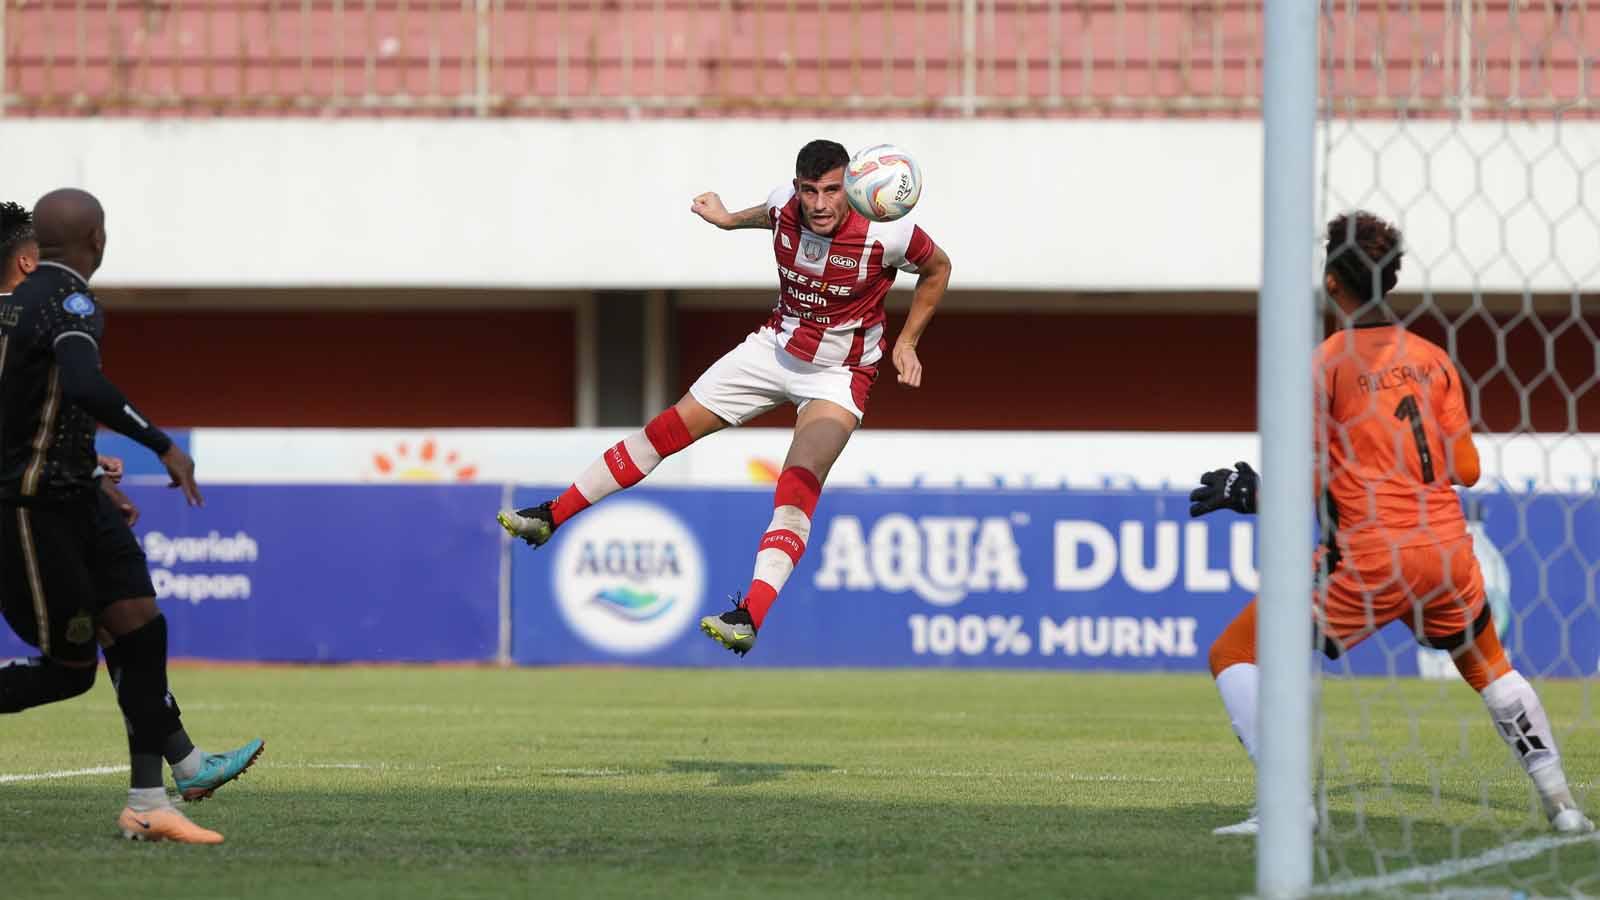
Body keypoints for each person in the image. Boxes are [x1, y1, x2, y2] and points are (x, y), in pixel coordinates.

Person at [1190, 210, 1591, 836]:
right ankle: (1564, 807)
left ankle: (1291, 809)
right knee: (1490, 665)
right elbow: (1467, 467)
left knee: (1236, 652)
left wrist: (1256, 494)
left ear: (1331, 283)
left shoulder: (1326, 363)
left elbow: (1311, 480)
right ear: (1391, 278)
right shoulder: (1432, 359)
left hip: (1375, 554)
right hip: (1448, 551)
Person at [498, 139, 952, 656]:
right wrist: (728, 219)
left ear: (849, 184)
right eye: (810, 192)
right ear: (798, 188)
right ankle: (549, 517)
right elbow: (770, 214)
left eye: (831, 190)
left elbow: (938, 268)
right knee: (664, 431)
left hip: (839, 374)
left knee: (798, 481)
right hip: (774, 349)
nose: (820, 204)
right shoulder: (786, 204)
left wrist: (909, 340)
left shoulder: (889, 232)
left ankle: (749, 616)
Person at [0, 189, 264, 844]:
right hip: (34, 507)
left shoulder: (25, 308)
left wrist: (92, 474)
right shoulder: (66, 302)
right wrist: (163, 444)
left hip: (74, 496)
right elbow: (79, 391)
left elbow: (48, 410)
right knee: (69, 671)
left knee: (140, 627)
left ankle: (153, 799)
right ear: (95, 240)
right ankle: (181, 770)